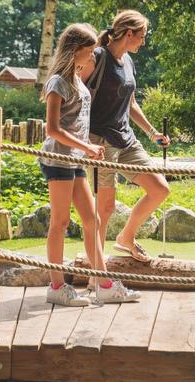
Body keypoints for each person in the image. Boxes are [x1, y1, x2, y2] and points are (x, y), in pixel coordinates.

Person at [39, 23, 140, 305]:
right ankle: (57, 288)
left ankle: (104, 283)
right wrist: (87, 147)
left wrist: (85, 150)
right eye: (89, 50)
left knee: (92, 220)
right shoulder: (58, 82)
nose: (93, 55)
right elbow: (53, 129)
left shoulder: (77, 77)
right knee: (59, 223)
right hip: (60, 158)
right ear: (75, 51)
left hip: (76, 160)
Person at [81, 10, 171, 264]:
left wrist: (152, 132)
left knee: (159, 189)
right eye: (141, 36)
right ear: (129, 33)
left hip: (126, 139)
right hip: (100, 142)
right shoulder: (97, 57)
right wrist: (79, 139)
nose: (143, 42)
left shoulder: (128, 62)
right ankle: (96, 274)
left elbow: (130, 104)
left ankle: (126, 238)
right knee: (105, 209)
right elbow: (75, 91)